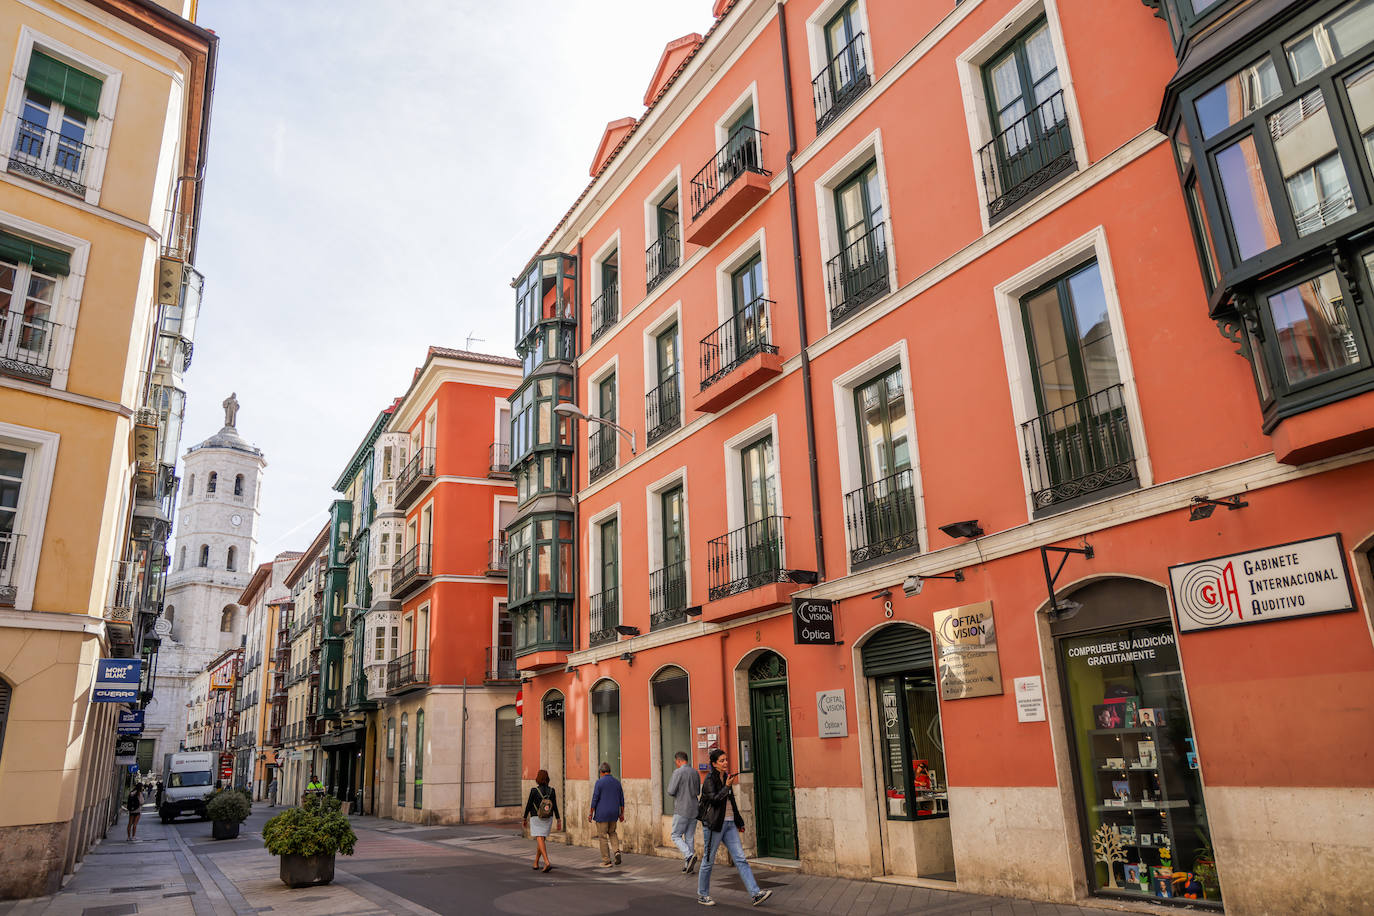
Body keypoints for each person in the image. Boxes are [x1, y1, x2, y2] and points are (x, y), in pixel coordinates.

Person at [697, 748, 771, 907]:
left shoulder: (727, 777)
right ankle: (703, 894)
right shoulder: (710, 780)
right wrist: (726, 787)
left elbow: (731, 803)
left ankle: (755, 893)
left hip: (729, 824)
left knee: (741, 859)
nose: (725, 763)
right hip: (714, 825)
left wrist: (739, 821)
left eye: (726, 760)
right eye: (722, 761)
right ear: (714, 764)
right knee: (708, 860)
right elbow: (715, 800)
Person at [522, 769, 563, 873]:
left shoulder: (534, 791)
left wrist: (524, 817)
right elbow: (555, 806)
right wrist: (558, 819)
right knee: (541, 840)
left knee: (539, 838)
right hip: (548, 818)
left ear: (538, 778)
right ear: (547, 778)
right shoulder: (551, 791)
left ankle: (546, 861)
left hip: (536, 817)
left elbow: (529, 805)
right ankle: (535, 862)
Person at [667, 751, 701, 873]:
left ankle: (689, 855)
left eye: (676, 762)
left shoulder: (678, 772)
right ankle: (688, 866)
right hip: (694, 808)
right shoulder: (695, 772)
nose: (676, 764)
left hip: (682, 808)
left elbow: (671, 791)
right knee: (689, 837)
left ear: (679, 760)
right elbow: (697, 791)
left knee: (675, 835)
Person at [588, 761, 625, 867]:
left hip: (602, 814)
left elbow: (595, 799)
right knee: (612, 832)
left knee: (603, 837)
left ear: (601, 772)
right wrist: (621, 813)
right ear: (609, 771)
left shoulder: (599, 782)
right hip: (614, 813)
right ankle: (616, 851)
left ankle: (607, 861)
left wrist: (591, 813)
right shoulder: (617, 782)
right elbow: (622, 800)